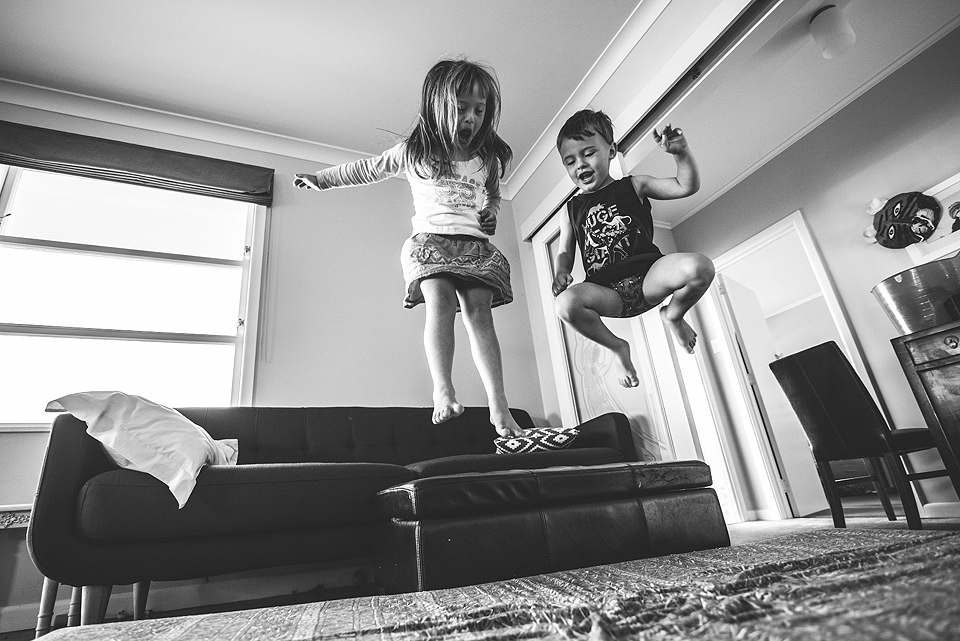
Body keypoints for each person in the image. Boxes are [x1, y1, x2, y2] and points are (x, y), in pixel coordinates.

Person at [293, 58, 524, 437]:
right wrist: (322, 179)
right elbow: (367, 169)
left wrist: (490, 213)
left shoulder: (487, 158)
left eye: (479, 110)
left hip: (475, 248)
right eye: (461, 108)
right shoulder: (415, 151)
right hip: (432, 244)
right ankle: (443, 389)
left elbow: (493, 196)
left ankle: (499, 407)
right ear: (437, 108)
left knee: (481, 314)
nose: (470, 118)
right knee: (441, 302)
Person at [552, 109, 714, 388]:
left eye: (588, 153)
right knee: (564, 304)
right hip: (607, 292)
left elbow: (685, 186)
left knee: (700, 267)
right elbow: (565, 251)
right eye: (570, 161)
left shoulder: (635, 185)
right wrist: (561, 272)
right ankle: (617, 347)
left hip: (649, 277)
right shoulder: (570, 210)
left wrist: (681, 153)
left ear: (611, 151)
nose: (580, 164)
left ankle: (673, 315)